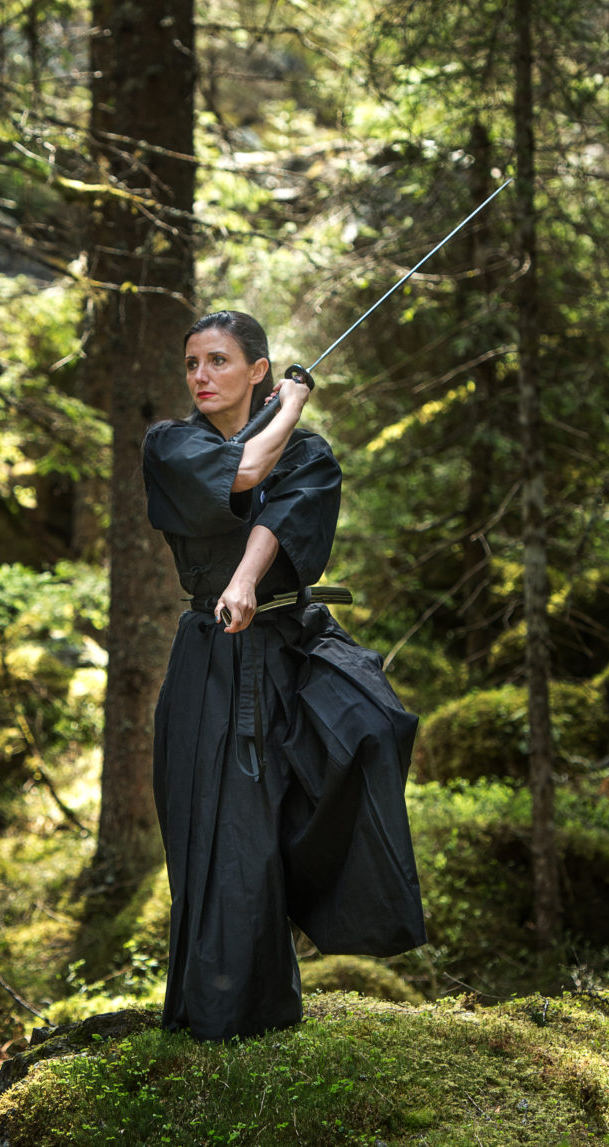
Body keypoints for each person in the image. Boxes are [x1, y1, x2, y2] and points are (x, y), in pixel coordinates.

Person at [141, 309, 427, 1041]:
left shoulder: (308, 453)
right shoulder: (170, 444)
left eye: (218, 361)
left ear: (257, 369)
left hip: (288, 646)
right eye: (192, 363)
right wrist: (292, 404)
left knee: (370, 731)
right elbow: (241, 473)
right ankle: (224, 1017)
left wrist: (247, 576)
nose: (201, 376)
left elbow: (283, 513)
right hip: (212, 659)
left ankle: (336, 913)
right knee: (222, 831)